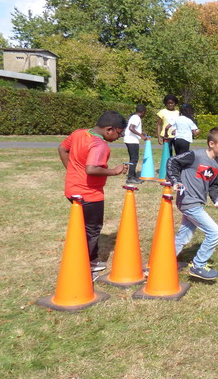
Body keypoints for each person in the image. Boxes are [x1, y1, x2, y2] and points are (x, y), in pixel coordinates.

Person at [58, 111, 128, 272]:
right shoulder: (99, 145)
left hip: (72, 189)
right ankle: (83, 267)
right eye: (119, 133)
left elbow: (62, 149)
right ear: (109, 129)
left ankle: (92, 259)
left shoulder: (78, 134)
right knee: (92, 229)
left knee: (82, 227)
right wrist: (114, 171)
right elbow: (91, 169)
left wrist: (72, 171)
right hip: (90, 194)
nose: (119, 137)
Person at [166, 127, 218, 281]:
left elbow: (213, 186)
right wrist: (176, 181)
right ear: (211, 144)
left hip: (196, 203)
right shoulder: (194, 155)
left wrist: (217, 199)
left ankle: (164, 262)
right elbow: (172, 161)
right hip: (188, 201)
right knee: (214, 233)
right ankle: (198, 265)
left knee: (183, 236)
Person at [123, 104, 150, 184]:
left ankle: (133, 175)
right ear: (143, 112)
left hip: (129, 139)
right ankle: (130, 178)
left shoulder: (133, 117)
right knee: (134, 159)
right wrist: (141, 135)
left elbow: (133, 128)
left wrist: (141, 132)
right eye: (145, 113)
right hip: (132, 140)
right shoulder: (137, 118)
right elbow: (131, 128)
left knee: (133, 158)